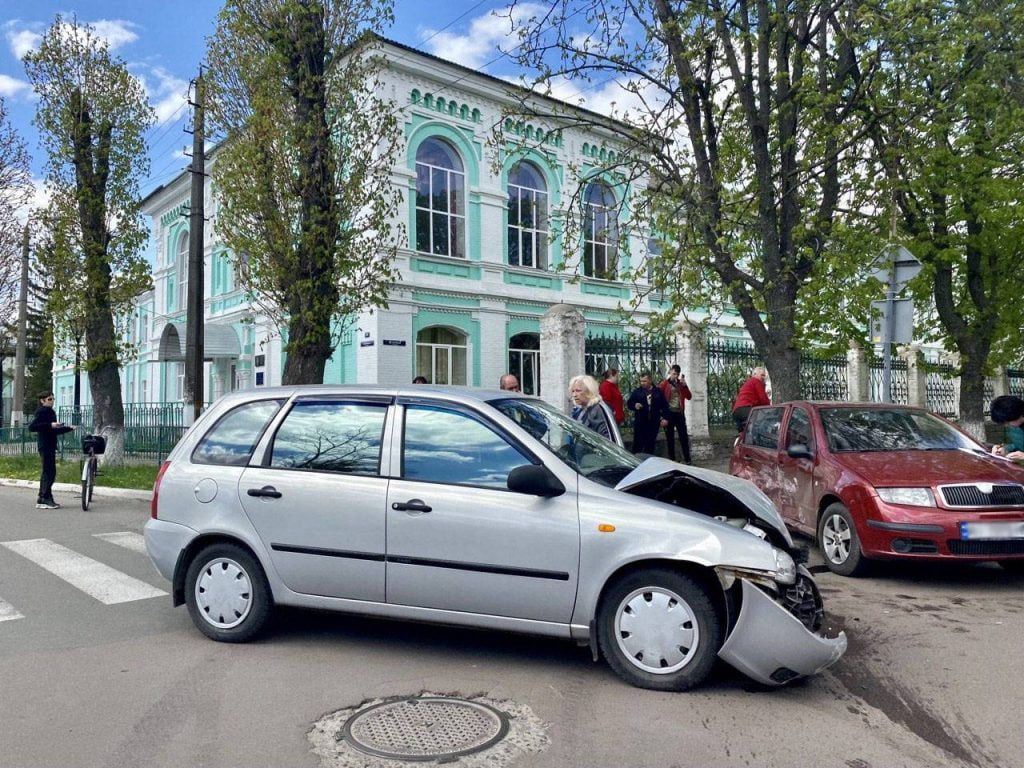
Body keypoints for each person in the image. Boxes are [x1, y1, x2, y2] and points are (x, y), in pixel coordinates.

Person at [28, 391, 74, 509]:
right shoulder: (41, 411)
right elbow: (32, 427)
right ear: (42, 401)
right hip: (45, 445)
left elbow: (53, 430)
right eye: (49, 399)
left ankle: (44, 497)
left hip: (50, 444)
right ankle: (44, 498)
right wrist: (50, 425)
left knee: (50, 472)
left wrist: (68, 428)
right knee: (48, 472)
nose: (52, 401)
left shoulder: (50, 412)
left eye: (53, 399)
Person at [627, 372, 669, 455]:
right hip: (640, 422)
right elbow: (629, 403)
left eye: (644, 381)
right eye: (641, 381)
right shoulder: (637, 392)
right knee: (638, 445)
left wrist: (665, 418)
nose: (642, 383)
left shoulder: (657, 392)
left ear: (650, 380)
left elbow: (664, 405)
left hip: (653, 422)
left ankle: (649, 463)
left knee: (650, 445)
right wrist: (635, 405)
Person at [659, 364, 692, 463]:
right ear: (670, 372)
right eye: (673, 374)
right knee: (670, 438)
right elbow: (660, 399)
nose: (674, 376)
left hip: (679, 413)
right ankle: (672, 459)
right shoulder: (664, 384)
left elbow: (689, 396)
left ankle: (687, 459)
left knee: (683, 437)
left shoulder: (681, 384)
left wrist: (685, 386)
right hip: (669, 414)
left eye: (676, 374)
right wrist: (662, 415)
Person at [568, 375, 611, 439]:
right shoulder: (579, 409)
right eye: (573, 391)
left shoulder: (598, 410)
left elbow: (605, 439)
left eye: (578, 391)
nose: (574, 395)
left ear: (589, 391)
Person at [732, 366, 770, 432]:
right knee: (765, 419)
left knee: (743, 433)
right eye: (762, 375)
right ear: (754, 374)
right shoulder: (756, 381)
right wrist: (770, 408)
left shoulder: (748, 383)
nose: (764, 378)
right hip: (745, 409)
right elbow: (763, 399)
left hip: (736, 411)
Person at [990, 395, 1024, 460]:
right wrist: (1005, 449)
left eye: (1007, 422)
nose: (1006, 425)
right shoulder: (1016, 428)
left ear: (1016, 415)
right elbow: (1018, 445)